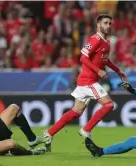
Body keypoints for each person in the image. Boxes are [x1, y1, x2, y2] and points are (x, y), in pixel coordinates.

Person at [43, 14, 128, 151]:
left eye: (110, 23)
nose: (108, 26)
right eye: (105, 23)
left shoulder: (106, 43)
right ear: (98, 25)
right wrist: (98, 71)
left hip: (87, 81)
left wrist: (118, 71)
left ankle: (49, 133)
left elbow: (105, 60)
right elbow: (83, 58)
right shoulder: (95, 40)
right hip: (88, 81)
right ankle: (86, 130)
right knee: (108, 105)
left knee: (75, 112)